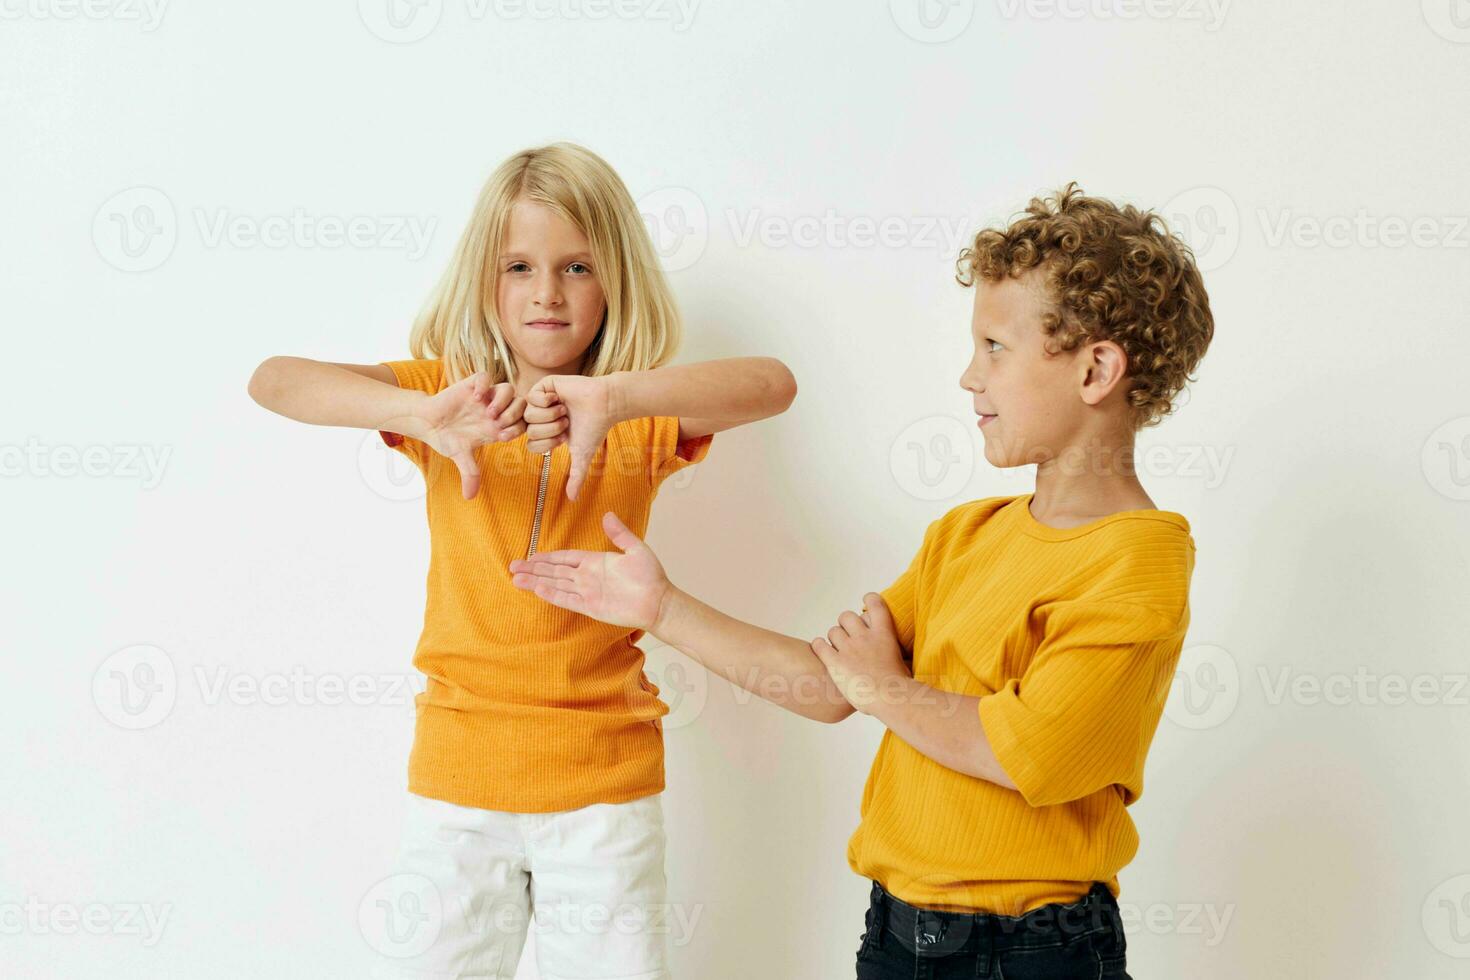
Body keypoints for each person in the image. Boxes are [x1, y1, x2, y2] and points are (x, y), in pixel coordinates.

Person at [508, 183, 1214, 979]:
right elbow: (830, 686)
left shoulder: (1139, 559)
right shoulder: (966, 536)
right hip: (899, 934)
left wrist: (887, 689)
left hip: (1033, 950)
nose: (968, 378)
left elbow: (1032, 753)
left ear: (1095, 370)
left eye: (994, 348)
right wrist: (660, 606)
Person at [247, 142, 796, 979]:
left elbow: (774, 384)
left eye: (577, 266)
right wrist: (424, 415)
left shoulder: (640, 417)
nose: (547, 292)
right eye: (519, 266)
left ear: (615, 279)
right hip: (457, 783)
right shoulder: (450, 398)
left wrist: (614, 398)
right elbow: (274, 379)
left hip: (604, 787)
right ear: (486, 279)